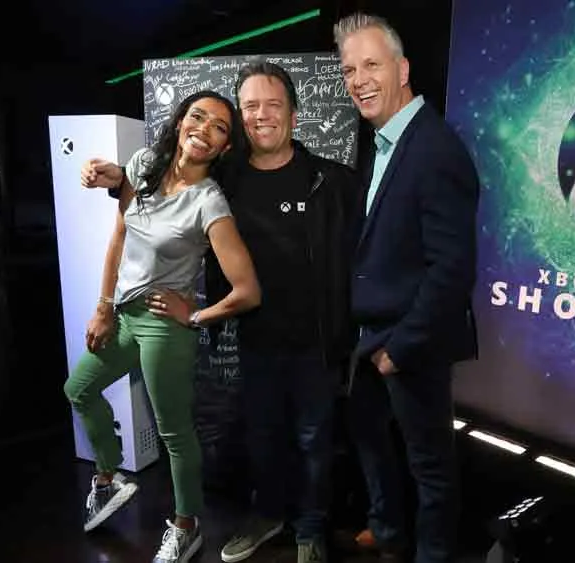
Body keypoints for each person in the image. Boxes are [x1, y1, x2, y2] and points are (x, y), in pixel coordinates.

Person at [89, 62, 360, 563]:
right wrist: (118, 178)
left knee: (314, 442)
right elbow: (169, 186)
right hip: (256, 338)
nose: (262, 115)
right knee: (262, 439)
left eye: (273, 105)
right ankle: (268, 516)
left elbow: (364, 255)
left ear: (294, 114)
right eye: (251, 106)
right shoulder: (226, 177)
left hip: (318, 342)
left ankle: (311, 532)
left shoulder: (330, 180)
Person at [65, 90, 261, 563]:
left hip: (164, 328)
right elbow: (118, 239)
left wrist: (193, 315)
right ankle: (108, 479)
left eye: (219, 127)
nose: (204, 129)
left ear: (225, 147)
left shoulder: (209, 202)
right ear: (180, 122)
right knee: (78, 389)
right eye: (198, 117)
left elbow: (248, 291)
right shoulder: (144, 164)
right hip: (123, 315)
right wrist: (103, 307)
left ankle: (186, 526)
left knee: (174, 434)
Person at [334, 12, 481, 563]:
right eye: (350, 70)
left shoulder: (435, 149)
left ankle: (433, 554)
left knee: (430, 463)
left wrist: (401, 348)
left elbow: (452, 270)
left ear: (402, 69)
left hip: (410, 338)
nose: (359, 80)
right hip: (371, 334)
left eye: (371, 65)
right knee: (370, 438)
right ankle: (388, 530)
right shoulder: (386, 142)